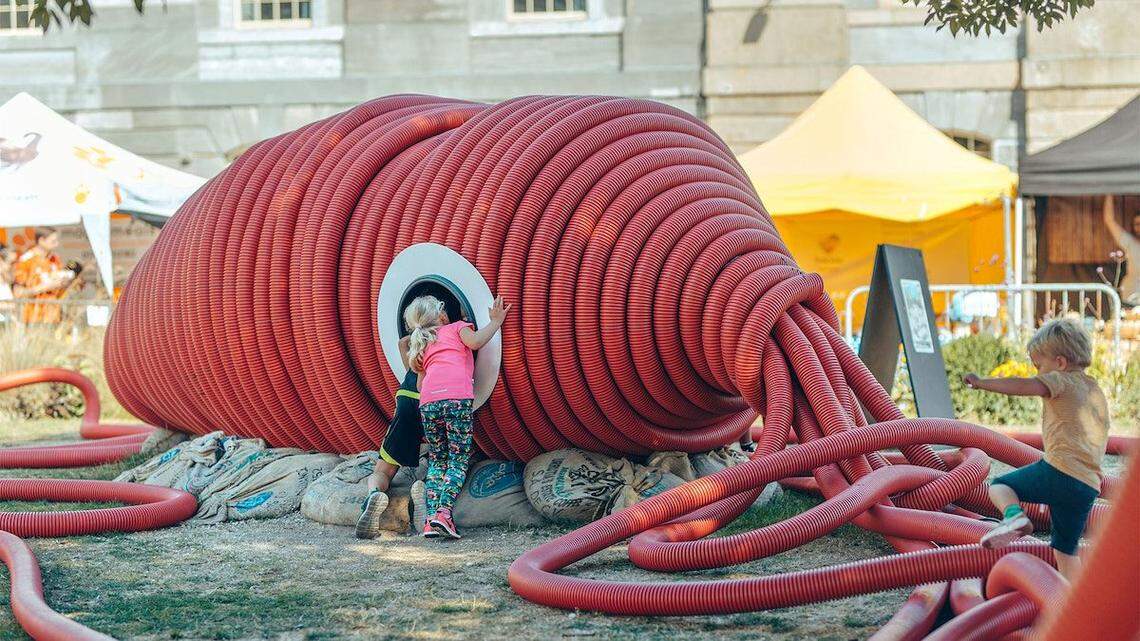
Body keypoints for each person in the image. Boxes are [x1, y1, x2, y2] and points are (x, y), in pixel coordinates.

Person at [963, 318, 1109, 581]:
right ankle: (1075, 600)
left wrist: (982, 382)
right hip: (1087, 485)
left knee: (1000, 486)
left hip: (1061, 470)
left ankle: (1014, 517)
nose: (1037, 373)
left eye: (1039, 366)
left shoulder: (1061, 380)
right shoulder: (1094, 389)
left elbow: (1022, 386)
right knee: (1065, 551)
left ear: (1060, 363)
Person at [403, 293, 509, 539]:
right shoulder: (457, 328)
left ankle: (430, 520)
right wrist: (495, 321)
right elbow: (477, 342)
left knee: (438, 460)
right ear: (442, 315)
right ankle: (444, 514)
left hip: (429, 404)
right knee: (458, 459)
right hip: (456, 399)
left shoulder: (422, 344)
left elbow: (420, 385)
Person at [355, 335, 428, 539]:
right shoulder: (449, 339)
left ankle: (375, 494)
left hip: (406, 398)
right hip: (434, 399)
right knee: (443, 461)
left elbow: (401, 343)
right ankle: (424, 494)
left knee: (383, 470)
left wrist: (417, 332)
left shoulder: (418, 342)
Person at [13, 228, 74, 324]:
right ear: (41, 240)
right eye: (53, 241)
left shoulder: (55, 259)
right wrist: (43, 288)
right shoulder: (26, 261)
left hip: (54, 317)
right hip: (34, 318)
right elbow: (18, 293)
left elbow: (60, 289)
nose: (57, 244)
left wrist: (64, 283)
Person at [1102, 196, 1140, 306]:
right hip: (1131, 295)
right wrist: (1109, 194)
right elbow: (1109, 220)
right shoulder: (1130, 242)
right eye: (1137, 224)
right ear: (1133, 227)